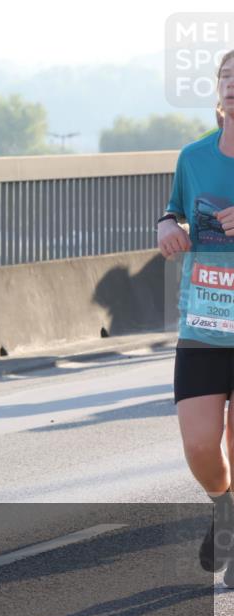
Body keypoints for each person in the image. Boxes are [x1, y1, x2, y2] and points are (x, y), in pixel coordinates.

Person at [157, 49, 234, 586]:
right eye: (227, 78)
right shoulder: (194, 156)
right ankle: (224, 508)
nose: (233, 86)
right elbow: (175, 210)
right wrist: (166, 225)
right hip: (205, 321)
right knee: (202, 444)